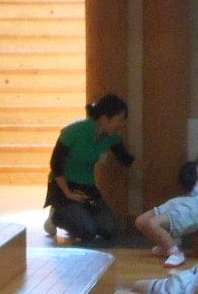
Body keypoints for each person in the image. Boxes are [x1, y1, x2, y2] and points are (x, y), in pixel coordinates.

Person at [47, 95, 133, 243]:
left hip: (87, 187)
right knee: (87, 232)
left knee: (109, 229)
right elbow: (55, 163)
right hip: (63, 186)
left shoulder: (112, 137)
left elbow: (125, 159)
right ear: (105, 119)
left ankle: (79, 214)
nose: (121, 124)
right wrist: (68, 193)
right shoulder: (73, 132)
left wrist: (148, 166)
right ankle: (56, 216)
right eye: (119, 119)